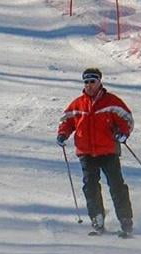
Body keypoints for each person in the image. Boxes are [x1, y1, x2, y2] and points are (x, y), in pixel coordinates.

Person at [57, 67, 135, 237]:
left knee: (116, 185)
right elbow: (67, 120)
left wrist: (123, 133)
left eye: (93, 81)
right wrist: (63, 134)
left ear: (100, 82)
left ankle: (125, 219)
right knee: (90, 186)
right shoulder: (78, 103)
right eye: (86, 82)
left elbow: (127, 119)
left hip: (108, 151)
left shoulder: (111, 101)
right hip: (86, 152)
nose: (89, 85)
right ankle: (97, 218)